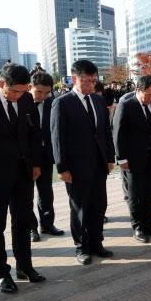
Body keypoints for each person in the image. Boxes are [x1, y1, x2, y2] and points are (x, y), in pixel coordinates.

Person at [0, 63, 45, 293]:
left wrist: (36, 163)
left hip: (23, 172)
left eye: (24, 91)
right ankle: (1, 272)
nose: (20, 96)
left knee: (22, 221)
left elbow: (32, 133)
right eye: (15, 91)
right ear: (1, 83)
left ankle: (25, 266)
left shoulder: (24, 99)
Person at [51, 59, 115, 265]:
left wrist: (109, 158)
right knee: (79, 208)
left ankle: (97, 243)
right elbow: (57, 138)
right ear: (74, 79)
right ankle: (81, 247)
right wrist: (62, 167)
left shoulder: (98, 101)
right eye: (86, 81)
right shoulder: (62, 103)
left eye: (94, 81)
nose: (90, 85)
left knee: (99, 205)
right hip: (76, 167)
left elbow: (106, 132)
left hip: (98, 164)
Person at [113, 75, 151, 243]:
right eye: (148, 94)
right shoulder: (126, 106)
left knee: (149, 195)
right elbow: (119, 134)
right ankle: (138, 227)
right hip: (133, 158)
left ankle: (149, 225)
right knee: (135, 196)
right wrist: (121, 158)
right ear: (138, 90)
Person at [28, 72, 64, 242]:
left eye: (47, 92)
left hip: (45, 154)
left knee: (46, 191)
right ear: (30, 87)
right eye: (39, 92)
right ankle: (30, 227)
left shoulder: (52, 103)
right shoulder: (20, 103)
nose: (43, 96)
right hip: (25, 156)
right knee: (26, 193)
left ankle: (47, 224)